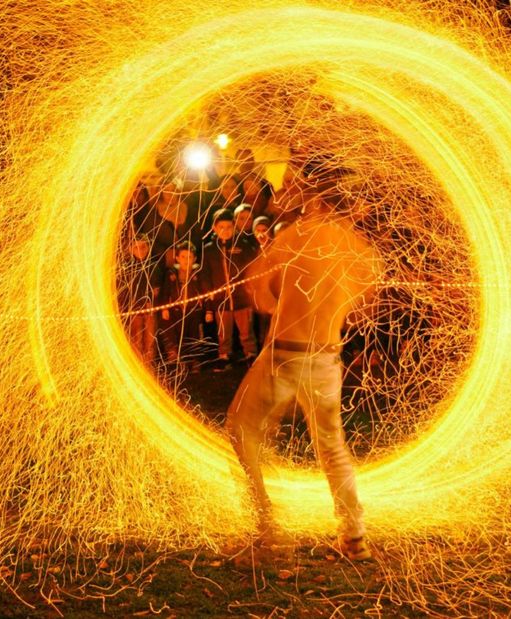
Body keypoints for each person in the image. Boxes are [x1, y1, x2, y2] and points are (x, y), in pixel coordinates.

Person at [226, 156, 381, 560]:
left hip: (284, 355)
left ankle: (267, 530)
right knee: (332, 446)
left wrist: (282, 300)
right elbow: (365, 303)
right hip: (327, 360)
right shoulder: (360, 250)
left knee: (241, 430)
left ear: (315, 198)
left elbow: (258, 290)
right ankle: (354, 534)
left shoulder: (296, 236)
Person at [201, 209, 259, 370]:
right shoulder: (209, 249)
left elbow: (252, 267)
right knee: (223, 332)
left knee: (246, 330)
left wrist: (250, 286)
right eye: (221, 227)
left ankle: (250, 354)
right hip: (221, 300)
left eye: (229, 227)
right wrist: (209, 290)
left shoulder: (243, 246)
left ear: (234, 227)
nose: (225, 231)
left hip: (242, 298)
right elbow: (205, 273)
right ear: (214, 228)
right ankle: (224, 355)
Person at [157, 241, 206, 372]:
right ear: (177, 258)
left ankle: (194, 360)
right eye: (183, 257)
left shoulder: (198, 273)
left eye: (189, 257)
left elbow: (203, 290)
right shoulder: (171, 273)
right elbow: (165, 291)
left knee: (194, 335)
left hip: (193, 310)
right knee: (175, 334)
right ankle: (177, 361)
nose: (186, 260)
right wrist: (165, 307)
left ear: (194, 258)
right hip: (176, 310)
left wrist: (207, 309)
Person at [119, 235, 161, 367]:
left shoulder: (154, 267)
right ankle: (137, 366)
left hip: (150, 310)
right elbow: (124, 292)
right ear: (130, 249)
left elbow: (157, 289)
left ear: (148, 247)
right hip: (133, 310)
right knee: (136, 339)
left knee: (150, 340)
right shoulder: (127, 269)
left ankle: (148, 365)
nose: (140, 250)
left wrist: (151, 301)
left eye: (143, 247)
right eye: (136, 247)